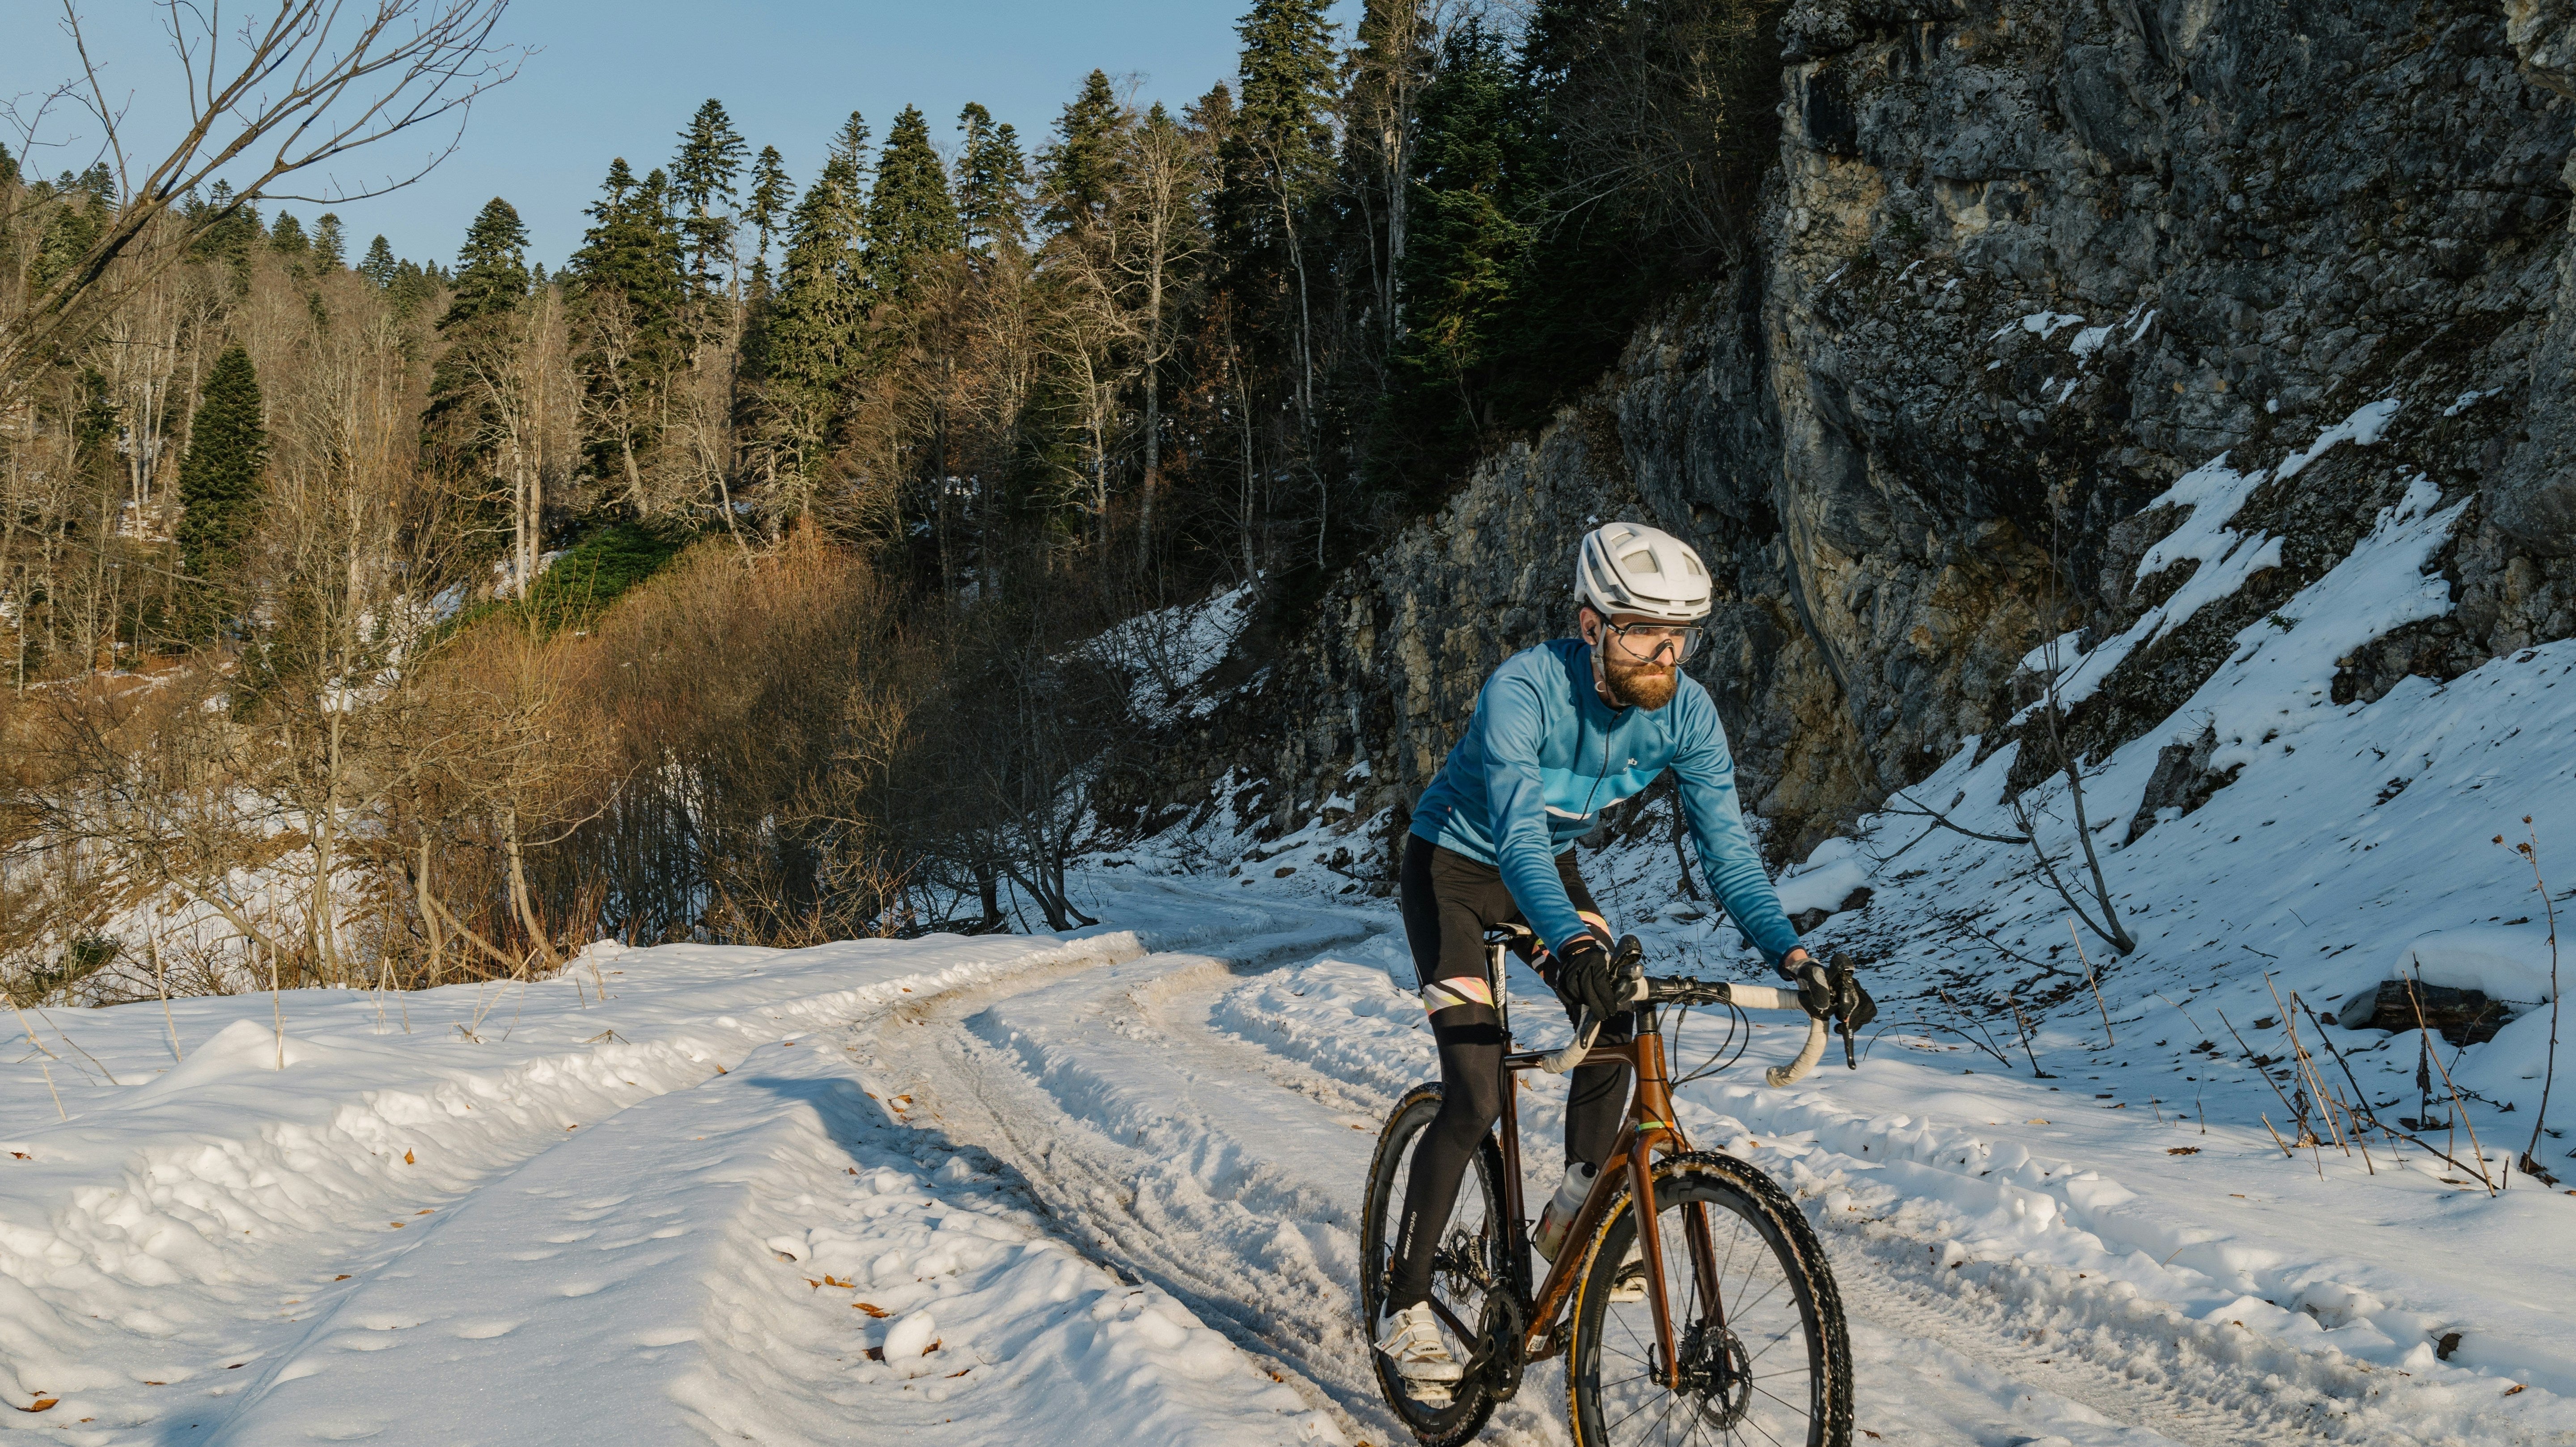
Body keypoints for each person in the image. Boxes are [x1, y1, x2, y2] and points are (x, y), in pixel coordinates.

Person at [1374, 520, 1835, 1393]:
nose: (1664, 654)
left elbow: (1729, 853)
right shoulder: (1524, 690)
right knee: (1474, 1094)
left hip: (1544, 868)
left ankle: (1575, 1210)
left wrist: (1795, 955)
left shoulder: (1686, 713)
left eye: (1679, 635)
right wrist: (1575, 941)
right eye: (1640, 630)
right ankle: (1403, 1304)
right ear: (1591, 626)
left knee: (1623, 1010)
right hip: (1455, 871)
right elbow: (1513, 836)